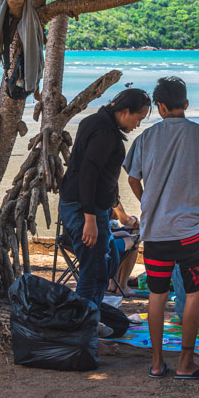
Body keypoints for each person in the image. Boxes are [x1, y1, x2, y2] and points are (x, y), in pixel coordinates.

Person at [124, 76, 199, 380]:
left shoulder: (146, 138)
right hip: (190, 234)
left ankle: (157, 364)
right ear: (185, 105)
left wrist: (147, 202)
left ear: (159, 107)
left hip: (156, 233)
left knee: (157, 296)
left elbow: (132, 176)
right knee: (195, 293)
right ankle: (185, 363)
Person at [58, 88, 150, 306]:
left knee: (106, 261)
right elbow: (88, 173)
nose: (138, 125)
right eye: (138, 118)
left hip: (89, 207)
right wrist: (89, 219)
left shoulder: (96, 121)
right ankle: (84, 325)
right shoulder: (105, 132)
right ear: (125, 111)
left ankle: (91, 319)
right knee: (94, 270)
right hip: (84, 209)